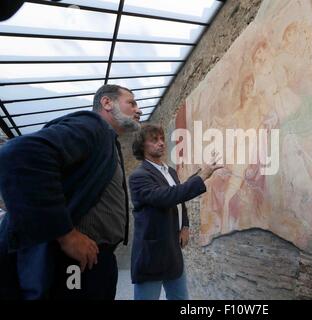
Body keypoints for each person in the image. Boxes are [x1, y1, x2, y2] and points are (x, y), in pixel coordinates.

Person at [0, 84, 142, 299]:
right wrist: (66, 234)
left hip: (96, 258)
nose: (138, 109)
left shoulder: (107, 140)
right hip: (74, 261)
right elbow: (20, 154)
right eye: (131, 103)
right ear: (107, 103)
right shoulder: (92, 125)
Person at [129, 124, 222, 300]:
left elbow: (179, 198)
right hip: (151, 254)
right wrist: (202, 177)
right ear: (142, 146)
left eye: (162, 138)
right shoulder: (139, 176)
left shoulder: (169, 171)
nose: (161, 143)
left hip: (172, 251)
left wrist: (185, 225)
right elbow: (166, 197)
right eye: (154, 140)